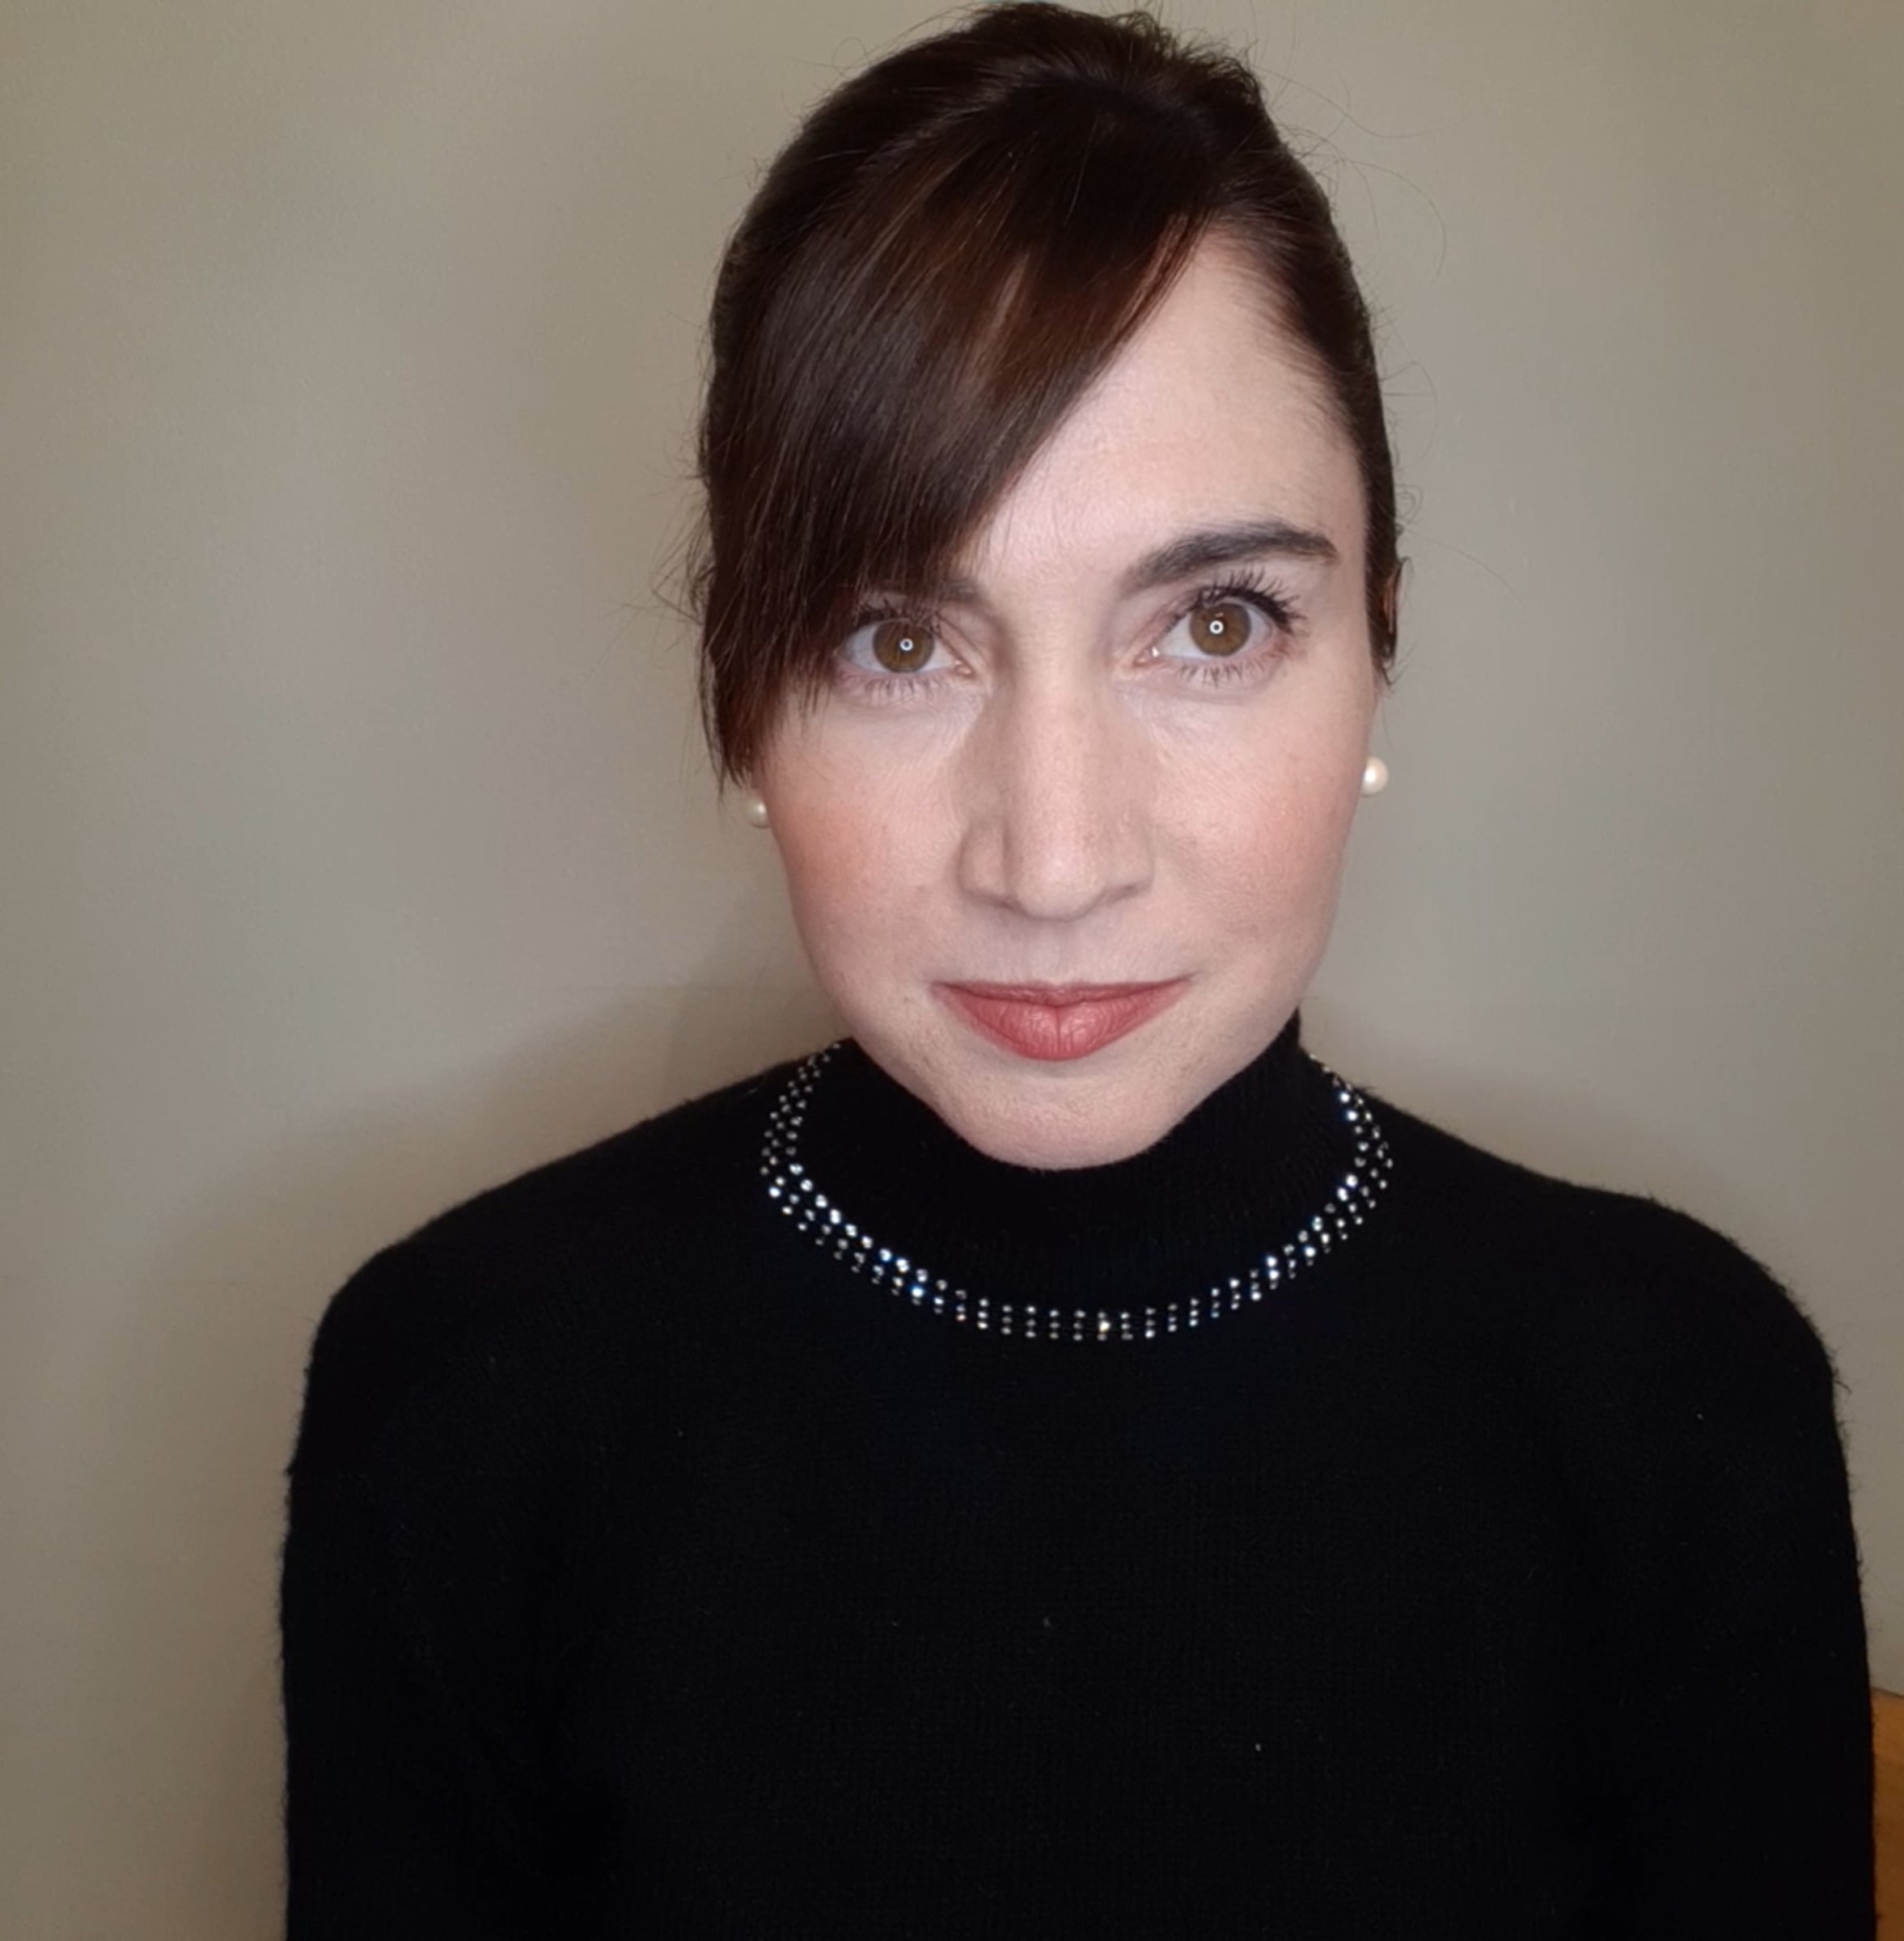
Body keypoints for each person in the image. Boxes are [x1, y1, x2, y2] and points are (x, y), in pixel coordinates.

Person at [277, 4, 1875, 1933]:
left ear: (1378, 649)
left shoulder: (1681, 1408)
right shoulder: (462, 1399)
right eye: (894, 640)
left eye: (1216, 625)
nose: (1055, 862)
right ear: (741, 706)